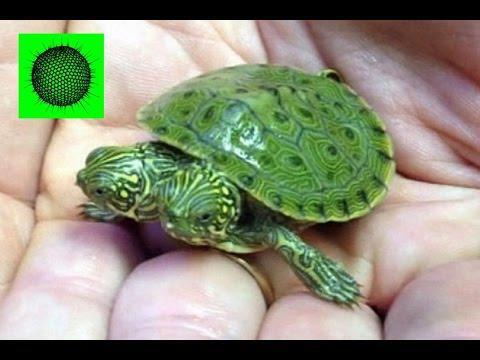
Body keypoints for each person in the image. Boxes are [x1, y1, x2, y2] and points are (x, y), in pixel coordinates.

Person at [0, 20, 478, 339]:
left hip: (312, 129)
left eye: (104, 189)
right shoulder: (156, 172)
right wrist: (55, 64)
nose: (86, 183)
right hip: (230, 106)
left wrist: (327, 278)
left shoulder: (250, 219)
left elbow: (283, 235)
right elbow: (54, 63)